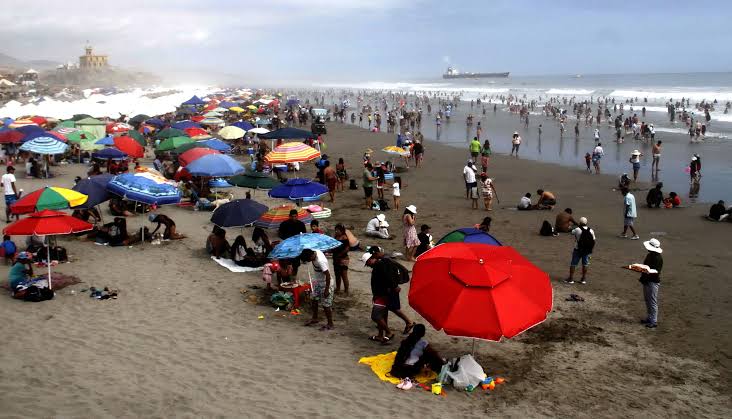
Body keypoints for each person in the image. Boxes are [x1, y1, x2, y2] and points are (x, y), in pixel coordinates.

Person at [362, 247, 415, 343]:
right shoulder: (382, 262)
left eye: (367, 263)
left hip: (384, 293)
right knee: (385, 312)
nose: (368, 266)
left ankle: (390, 332)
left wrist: (394, 286)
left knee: (378, 315)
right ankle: (381, 334)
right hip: (384, 293)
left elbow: (388, 276)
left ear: (373, 256)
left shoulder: (381, 264)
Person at [301, 249, 334, 330]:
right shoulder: (315, 251)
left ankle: (330, 323)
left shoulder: (321, 261)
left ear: (311, 256)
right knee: (314, 299)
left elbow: (328, 275)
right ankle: (315, 318)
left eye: (308, 259)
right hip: (318, 282)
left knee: (326, 304)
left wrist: (326, 290)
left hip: (326, 284)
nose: (308, 261)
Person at [639, 238, 663, 328]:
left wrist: (643, 270)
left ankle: (653, 321)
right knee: (648, 300)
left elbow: (655, 271)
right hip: (647, 279)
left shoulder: (657, 258)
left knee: (652, 301)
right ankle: (650, 318)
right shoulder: (651, 255)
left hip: (652, 281)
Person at [566, 217, 595, 284]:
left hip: (578, 249)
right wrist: (591, 250)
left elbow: (571, 232)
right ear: (586, 223)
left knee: (573, 264)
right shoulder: (591, 230)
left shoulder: (577, 229)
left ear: (580, 222)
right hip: (587, 250)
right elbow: (593, 241)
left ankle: (571, 279)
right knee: (585, 264)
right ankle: (583, 279)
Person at [332, 224, 350, 294]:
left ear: (342, 231)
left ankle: (346, 290)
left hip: (343, 259)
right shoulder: (336, 237)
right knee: (337, 275)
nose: (336, 231)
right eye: (335, 230)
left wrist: (340, 255)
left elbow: (347, 248)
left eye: (338, 230)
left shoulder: (344, 238)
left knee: (344, 275)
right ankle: (338, 289)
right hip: (336, 258)